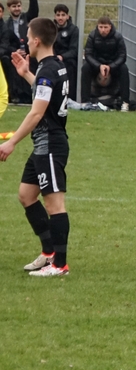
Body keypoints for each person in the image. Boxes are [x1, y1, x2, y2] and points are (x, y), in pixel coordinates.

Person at [0, 17, 71, 276]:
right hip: (44, 143)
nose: (26, 42)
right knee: (26, 195)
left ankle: (60, 265)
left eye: (28, 38)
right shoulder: (53, 66)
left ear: (37, 41)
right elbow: (46, 93)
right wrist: (26, 74)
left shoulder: (48, 70)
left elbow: (37, 112)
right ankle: (48, 252)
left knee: (54, 204)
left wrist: (12, 142)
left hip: (50, 143)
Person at [3, 0, 41, 105]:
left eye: (18, 6)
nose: (17, 8)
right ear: (9, 8)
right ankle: (16, 95)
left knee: (33, 65)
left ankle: (31, 95)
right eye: (14, 6)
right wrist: (15, 51)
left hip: (30, 51)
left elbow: (34, 11)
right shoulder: (6, 25)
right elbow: (6, 42)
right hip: (15, 53)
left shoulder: (26, 18)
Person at [82, 16, 130, 111]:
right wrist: (99, 66)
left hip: (113, 65)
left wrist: (111, 67)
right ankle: (85, 102)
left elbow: (122, 56)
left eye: (105, 27)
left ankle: (125, 102)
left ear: (110, 27)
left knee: (124, 69)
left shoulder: (118, 37)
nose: (103, 30)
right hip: (97, 65)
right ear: (97, 26)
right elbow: (88, 54)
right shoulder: (92, 36)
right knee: (85, 68)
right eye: (101, 27)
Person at [53, 4, 80, 101]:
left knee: (70, 66)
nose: (60, 18)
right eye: (58, 15)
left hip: (67, 60)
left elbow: (74, 50)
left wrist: (62, 57)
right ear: (55, 16)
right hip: (53, 58)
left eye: (63, 15)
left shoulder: (74, 29)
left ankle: (70, 98)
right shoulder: (51, 28)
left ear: (68, 16)